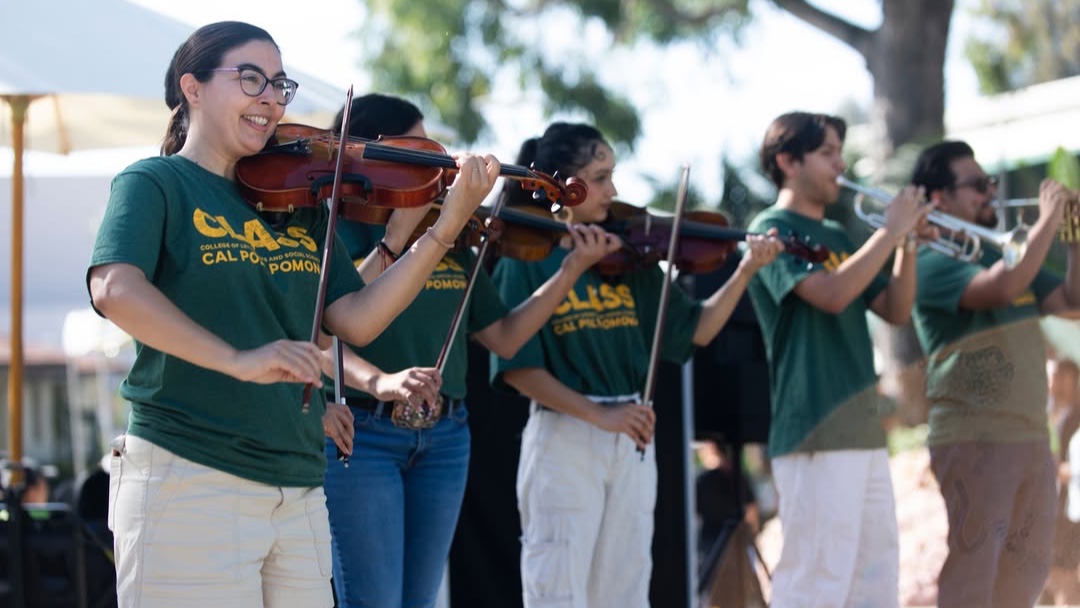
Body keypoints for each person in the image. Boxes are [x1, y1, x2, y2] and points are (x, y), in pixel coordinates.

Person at [86, 22, 498, 607]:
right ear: (193, 88)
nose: (272, 99)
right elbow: (114, 288)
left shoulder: (298, 209)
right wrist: (238, 360)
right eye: (251, 79)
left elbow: (356, 319)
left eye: (281, 85)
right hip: (190, 475)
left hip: (297, 480)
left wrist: (447, 225)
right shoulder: (155, 183)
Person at [319, 94, 619, 608]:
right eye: (416, 148)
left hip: (445, 436)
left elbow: (502, 337)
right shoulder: (337, 226)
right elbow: (321, 332)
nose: (430, 164)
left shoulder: (453, 233)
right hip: (364, 434)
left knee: (420, 600)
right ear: (372, 149)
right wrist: (379, 381)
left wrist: (570, 269)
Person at [490, 121, 784, 608]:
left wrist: (747, 269)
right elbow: (517, 368)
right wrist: (598, 413)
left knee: (626, 591)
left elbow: (700, 329)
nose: (615, 190)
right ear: (565, 185)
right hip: (566, 438)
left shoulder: (630, 260)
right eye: (601, 177)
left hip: (630, 437)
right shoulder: (528, 259)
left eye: (612, 176)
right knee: (556, 589)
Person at [746, 111, 932, 608]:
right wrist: (890, 233)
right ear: (788, 161)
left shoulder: (841, 235)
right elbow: (829, 294)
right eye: (828, 152)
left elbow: (895, 309)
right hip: (813, 428)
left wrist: (907, 244)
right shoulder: (770, 228)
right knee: (816, 583)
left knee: (875, 581)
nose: (840, 163)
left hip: (861, 430)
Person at [908, 139, 1080, 608]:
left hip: (1028, 436)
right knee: (974, 578)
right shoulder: (928, 258)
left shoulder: (1001, 256)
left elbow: (1072, 302)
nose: (990, 192)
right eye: (977, 184)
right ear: (938, 198)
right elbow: (1003, 290)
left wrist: (1072, 232)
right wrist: (1046, 220)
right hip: (975, 437)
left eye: (990, 183)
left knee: (1024, 581)